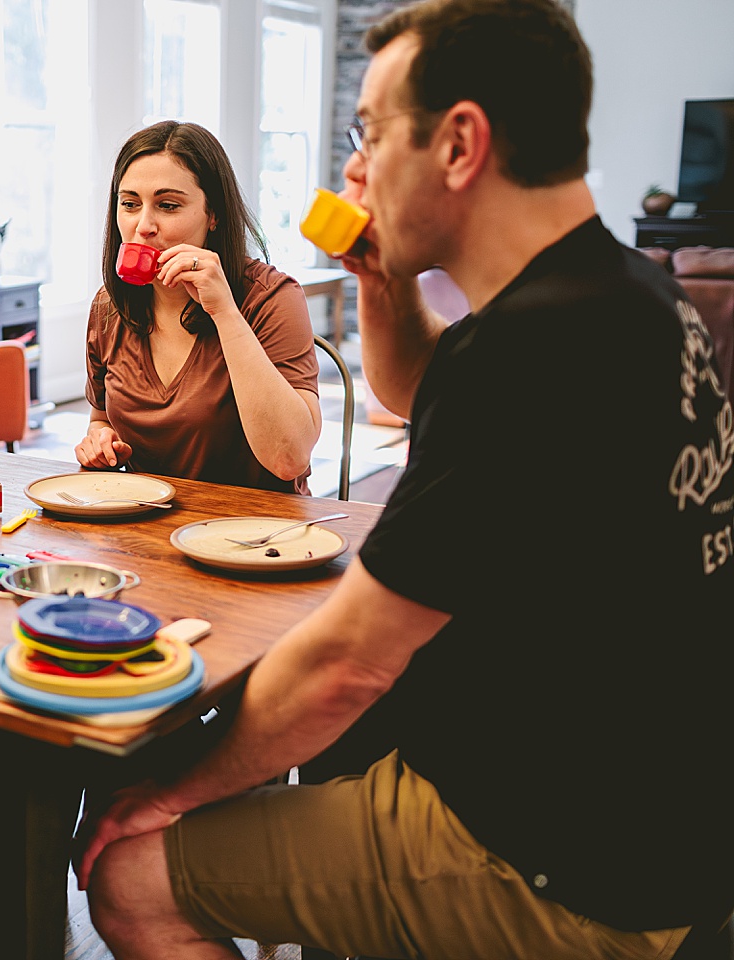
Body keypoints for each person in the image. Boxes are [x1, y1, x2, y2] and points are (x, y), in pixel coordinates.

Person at [74, 1, 734, 958]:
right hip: (662, 811)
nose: (354, 167)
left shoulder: (532, 349)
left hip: (557, 856)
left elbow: (349, 661)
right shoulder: (634, 294)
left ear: (461, 144)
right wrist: (381, 283)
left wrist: (171, 789)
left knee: (132, 878)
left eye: (370, 132)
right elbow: (424, 388)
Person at [77, 120, 322, 493]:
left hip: (255, 531)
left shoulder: (273, 298)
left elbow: (289, 459)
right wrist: (100, 441)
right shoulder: (109, 306)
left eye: (168, 205)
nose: (143, 225)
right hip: (145, 522)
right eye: (129, 204)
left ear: (214, 215)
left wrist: (224, 311)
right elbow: (101, 418)